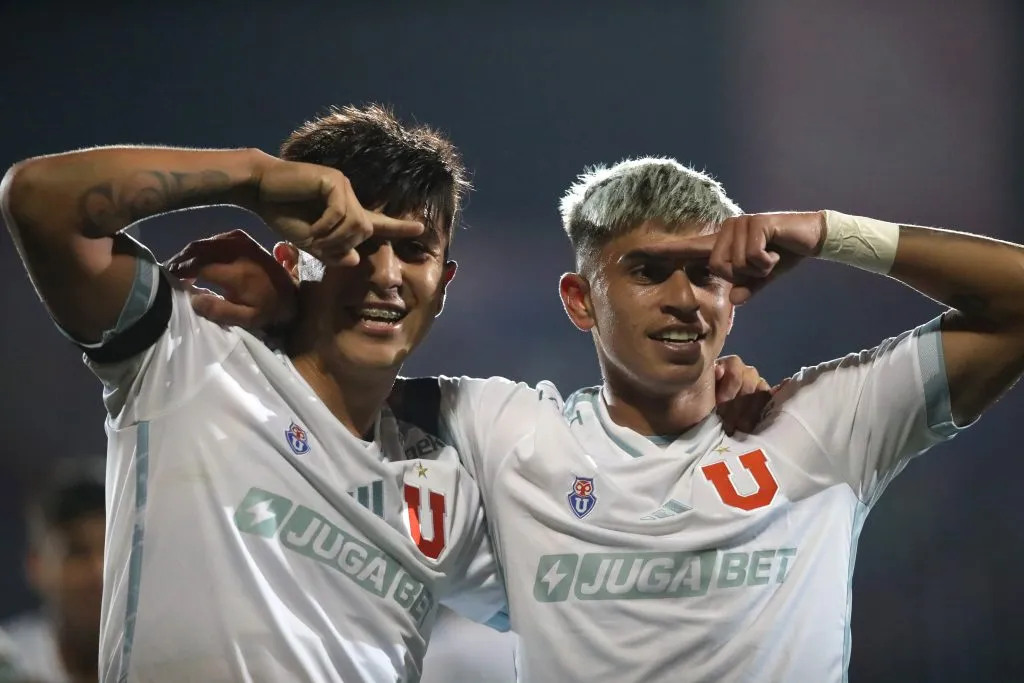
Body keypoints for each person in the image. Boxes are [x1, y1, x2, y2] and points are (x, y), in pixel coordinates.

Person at [182, 156, 1024, 682]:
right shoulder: (503, 429)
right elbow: (342, 380)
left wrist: (829, 232)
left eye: (704, 273)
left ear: (738, 291)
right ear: (581, 299)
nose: (684, 300)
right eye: (648, 271)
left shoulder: (824, 425)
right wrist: (294, 313)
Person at [2, 108, 767, 682]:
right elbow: (37, 199)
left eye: (413, 248)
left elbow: (623, 597)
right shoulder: (186, 355)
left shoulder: (446, 484)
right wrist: (252, 176)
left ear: (445, 281)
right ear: (291, 251)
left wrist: (705, 408)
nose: (387, 274)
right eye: (354, 241)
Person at [0, 458, 105, 683]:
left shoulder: (169, 661)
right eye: (78, 552)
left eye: (111, 552)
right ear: (35, 566)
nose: (98, 571)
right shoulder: (9, 662)